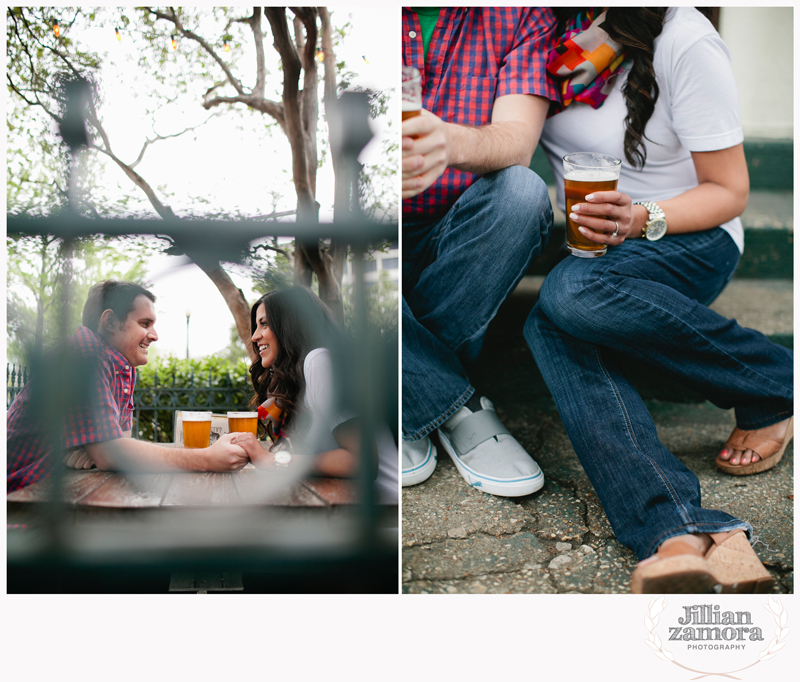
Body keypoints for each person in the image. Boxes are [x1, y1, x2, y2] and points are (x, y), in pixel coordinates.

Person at [523, 7, 793, 593]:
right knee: (551, 322)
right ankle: (678, 529)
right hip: (594, 236)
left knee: (571, 293)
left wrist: (641, 217)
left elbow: (730, 192)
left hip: (688, 232)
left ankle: (778, 377)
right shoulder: (535, 28)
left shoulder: (684, 39)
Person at [401, 7, 560, 496]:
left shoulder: (521, 12)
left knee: (523, 193)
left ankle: (400, 390)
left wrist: (447, 141)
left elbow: (516, 141)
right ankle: (457, 405)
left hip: (462, 235)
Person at [7, 280, 250, 492]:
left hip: (52, 491)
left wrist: (103, 450)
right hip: (16, 498)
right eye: (145, 323)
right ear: (110, 321)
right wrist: (207, 458)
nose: (155, 335)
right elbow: (112, 453)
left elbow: (119, 443)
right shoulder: (82, 355)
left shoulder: (121, 365)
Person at [244, 286, 398, 504]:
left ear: (290, 325)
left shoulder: (319, 362)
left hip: (384, 513)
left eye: (264, 324)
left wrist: (274, 461)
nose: (254, 336)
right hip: (342, 502)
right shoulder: (298, 377)